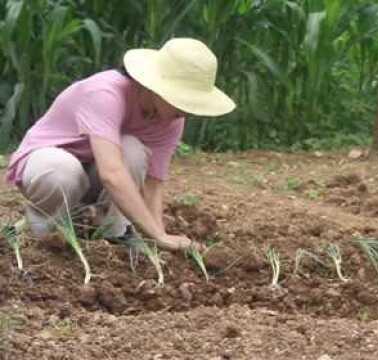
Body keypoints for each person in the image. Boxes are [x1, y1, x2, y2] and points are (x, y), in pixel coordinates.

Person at [4, 38, 235, 251]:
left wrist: (158, 236)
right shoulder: (105, 93)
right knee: (63, 170)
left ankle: (114, 232)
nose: (186, 110)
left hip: (91, 176)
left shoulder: (171, 119)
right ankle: (41, 231)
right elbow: (112, 173)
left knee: (133, 149)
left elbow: (154, 184)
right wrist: (159, 236)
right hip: (46, 167)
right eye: (182, 100)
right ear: (156, 86)